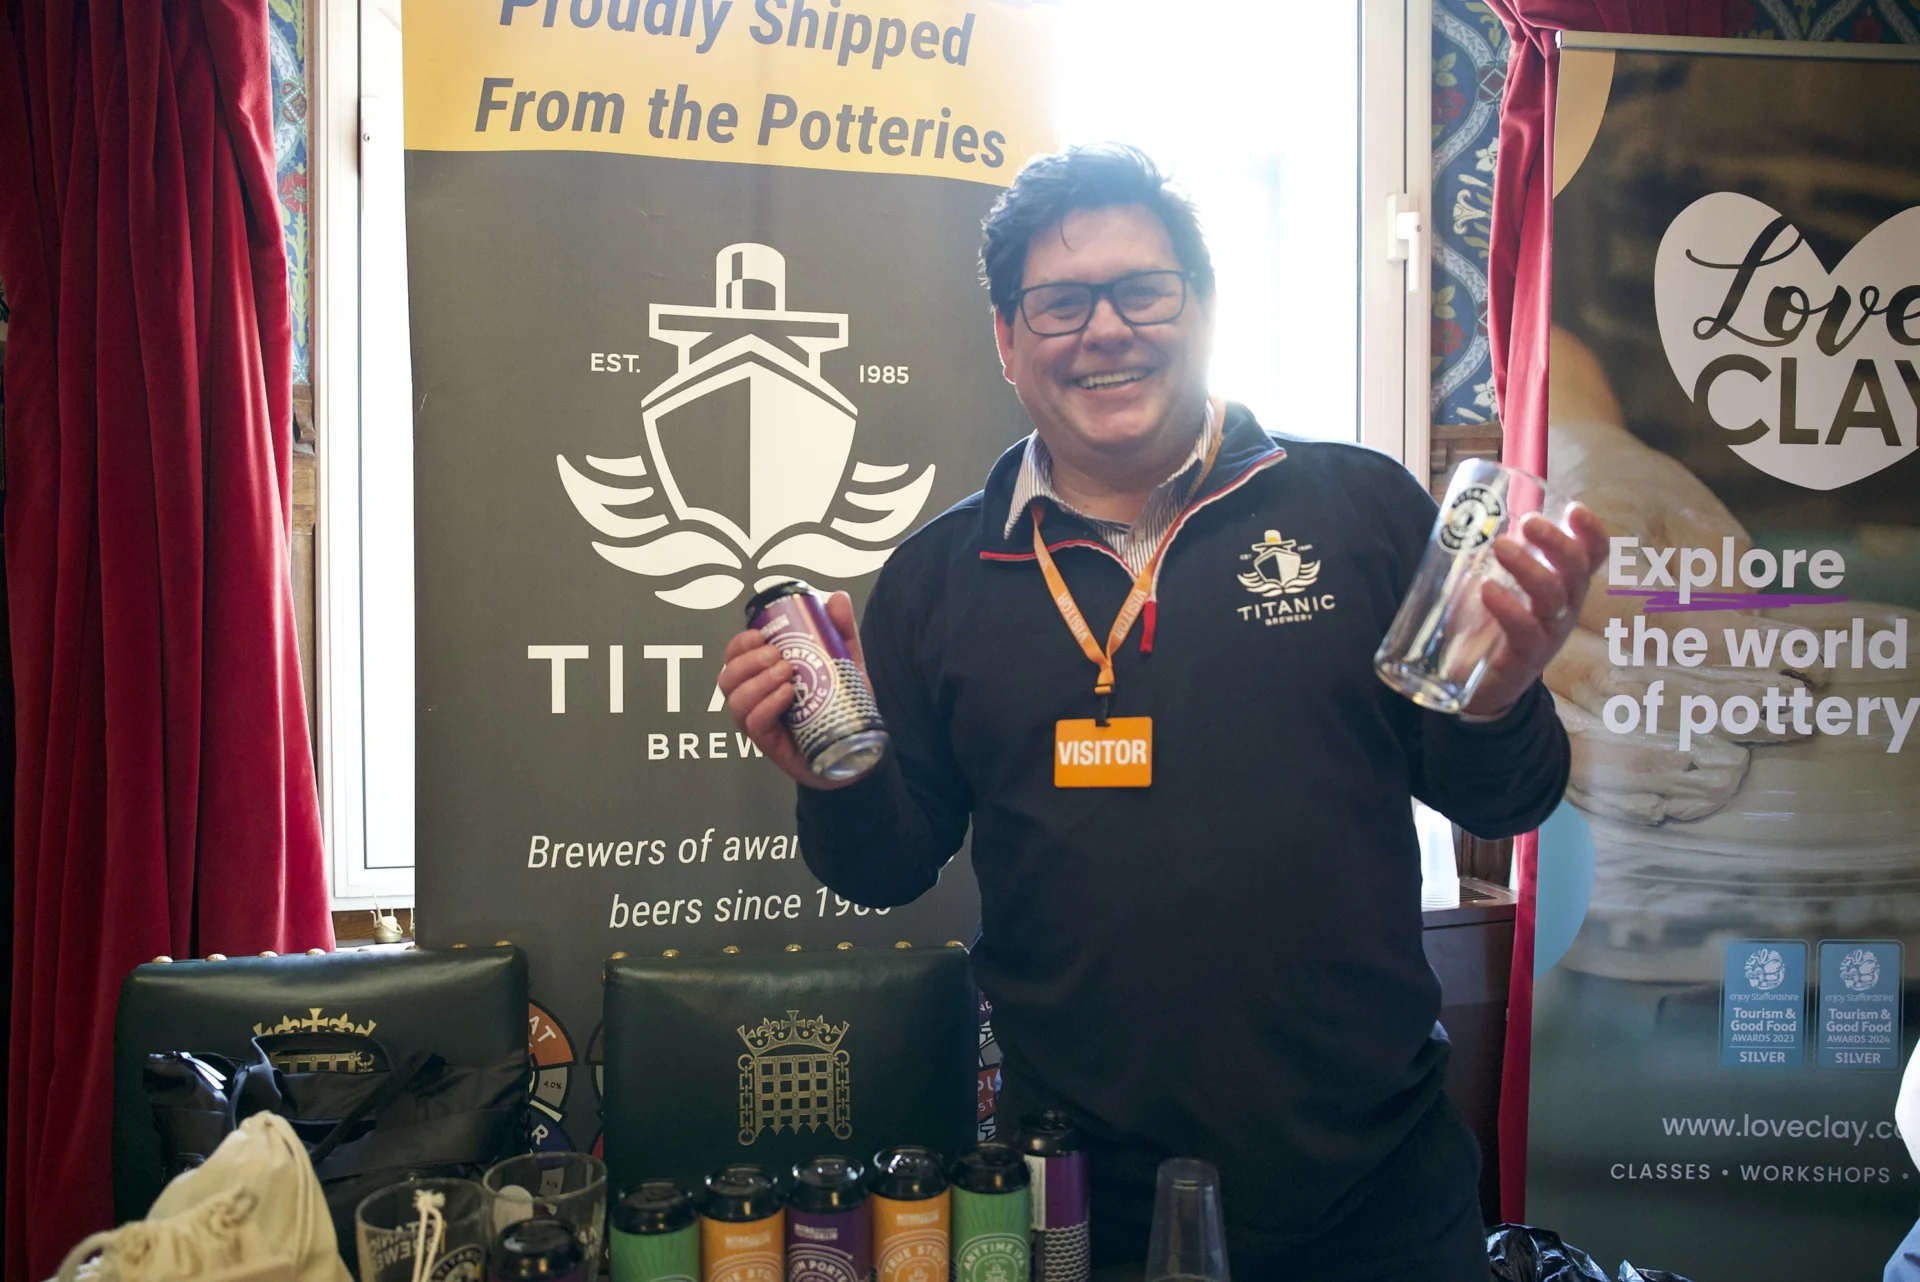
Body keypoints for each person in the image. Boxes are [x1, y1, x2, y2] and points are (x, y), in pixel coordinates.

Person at [719, 145, 1607, 1279]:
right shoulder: (939, 576)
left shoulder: (1360, 507)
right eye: (1059, 303)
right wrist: (834, 780)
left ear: (1204, 307)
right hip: (1079, 1191)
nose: (1106, 330)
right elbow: (892, 866)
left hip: (1373, 1179)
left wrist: (1499, 695)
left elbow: (1508, 795)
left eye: (1144, 289)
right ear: (1006, 338)